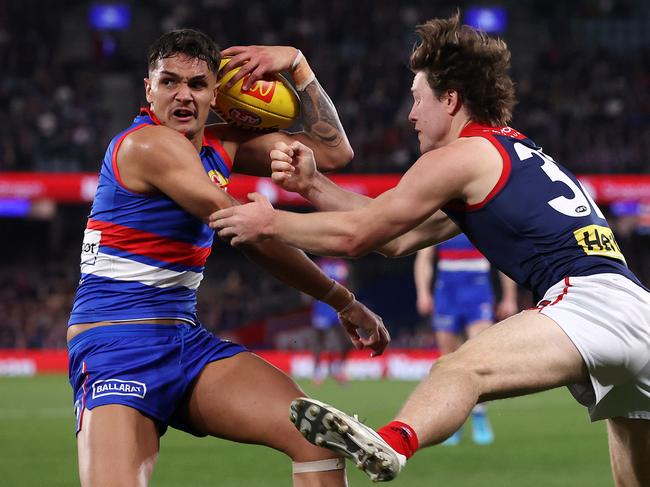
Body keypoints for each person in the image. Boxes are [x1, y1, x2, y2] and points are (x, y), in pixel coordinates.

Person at [210, 12, 650, 486]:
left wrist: (270, 221)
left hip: (585, 302)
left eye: (418, 100)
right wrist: (313, 185)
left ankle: (392, 442)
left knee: (460, 370)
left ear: (452, 100)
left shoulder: (457, 157)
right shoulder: (508, 151)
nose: (411, 114)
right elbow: (397, 236)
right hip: (635, 310)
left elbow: (359, 236)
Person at [66, 28, 391, 487]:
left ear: (216, 94)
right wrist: (343, 299)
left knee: (315, 436)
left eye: (197, 84)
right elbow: (250, 232)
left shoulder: (222, 146)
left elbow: (335, 153)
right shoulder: (146, 146)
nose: (183, 96)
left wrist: (298, 65)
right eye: (169, 82)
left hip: (185, 341)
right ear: (148, 90)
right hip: (116, 345)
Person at [414, 235, 518, 445]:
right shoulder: (440, 218)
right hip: (447, 291)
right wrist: (423, 293)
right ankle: (453, 421)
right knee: (448, 359)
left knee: (479, 356)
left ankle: (479, 415)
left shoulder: (478, 217)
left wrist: (510, 297)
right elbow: (423, 257)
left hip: (477, 288)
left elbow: (504, 255)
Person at [311, 257, 353, 385]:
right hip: (322, 307)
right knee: (320, 341)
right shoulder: (320, 264)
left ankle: (338, 368)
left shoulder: (343, 265)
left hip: (339, 308)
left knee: (347, 341)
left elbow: (350, 285)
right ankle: (318, 372)